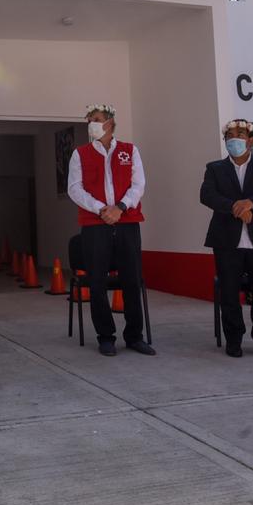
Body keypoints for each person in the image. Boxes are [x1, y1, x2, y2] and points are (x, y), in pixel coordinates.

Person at [67, 104, 155, 357]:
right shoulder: (80, 154)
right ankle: (105, 337)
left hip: (127, 222)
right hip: (95, 225)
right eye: (89, 120)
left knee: (131, 280)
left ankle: (134, 336)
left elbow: (138, 184)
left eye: (96, 119)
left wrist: (120, 207)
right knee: (97, 282)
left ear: (110, 122)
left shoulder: (130, 150)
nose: (91, 124)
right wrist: (101, 209)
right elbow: (75, 188)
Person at [200, 119, 253, 359]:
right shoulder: (215, 168)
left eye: (239, 135)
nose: (234, 139)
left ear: (250, 140)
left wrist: (251, 203)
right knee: (229, 294)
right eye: (229, 135)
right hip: (226, 241)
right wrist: (236, 208)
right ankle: (234, 340)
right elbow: (207, 195)